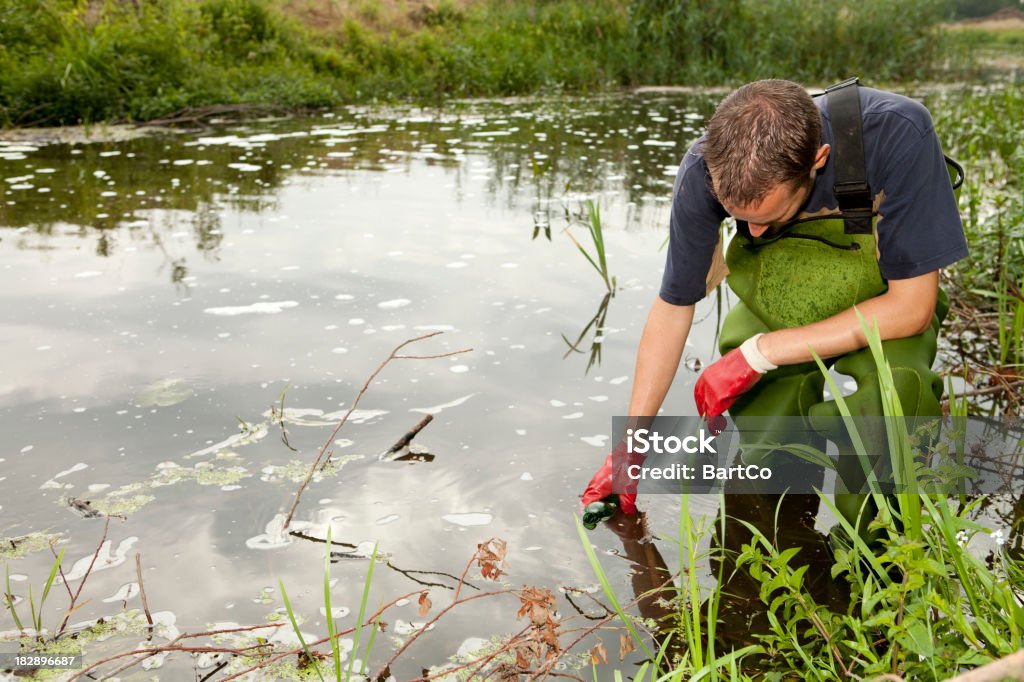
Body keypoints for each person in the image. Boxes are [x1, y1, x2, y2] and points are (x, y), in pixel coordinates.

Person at [581, 78, 967, 533]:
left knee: (894, 400)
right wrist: (631, 445)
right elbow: (673, 305)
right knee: (768, 444)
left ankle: (877, 558)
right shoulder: (701, 168)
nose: (755, 234)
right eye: (741, 221)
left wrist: (758, 355)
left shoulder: (897, 131)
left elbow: (912, 307)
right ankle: (780, 537)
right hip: (778, 292)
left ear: (817, 160)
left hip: (887, 299)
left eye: (769, 218)